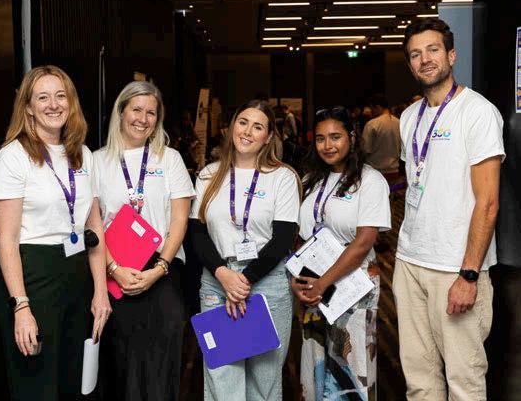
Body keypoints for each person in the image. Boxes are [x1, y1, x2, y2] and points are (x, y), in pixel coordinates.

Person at [393, 18, 504, 400]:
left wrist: (469, 274)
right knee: (419, 381)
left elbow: (488, 202)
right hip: (410, 262)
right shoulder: (409, 117)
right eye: (415, 54)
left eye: (433, 50)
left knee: (464, 381)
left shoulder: (477, 112)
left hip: (455, 267)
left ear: (451, 55)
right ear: (410, 64)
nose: (425, 59)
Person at [0, 65, 111, 400]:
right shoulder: (11, 158)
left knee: (76, 380)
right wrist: (21, 306)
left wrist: (101, 291)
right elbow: (6, 241)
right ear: (28, 107)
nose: (53, 104)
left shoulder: (83, 154)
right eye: (43, 98)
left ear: (71, 102)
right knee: (37, 384)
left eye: (60, 96)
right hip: (33, 276)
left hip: (77, 273)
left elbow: (93, 226)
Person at [189, 99, 300, 401]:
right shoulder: (208, 175)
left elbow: (283, 239)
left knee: (265, 383)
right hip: (217, 281)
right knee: (223, 381)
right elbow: (197, 233)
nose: (248, 131)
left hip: (266, 283)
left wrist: (244, 280)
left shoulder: (282, 177)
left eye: (258, 127)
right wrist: (224, 275)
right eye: (243, 122)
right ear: (231, 127)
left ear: (268, 136)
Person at [94, 81, 195, 401]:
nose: (143, 118)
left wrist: (160, 268)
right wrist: (113, 268)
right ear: (121, 112)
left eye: (151, 112)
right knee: (120, 363)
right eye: (136, 109)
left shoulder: (170, 159)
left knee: (161, 363)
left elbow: (179, 220)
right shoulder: (96, 161)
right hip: (114, 271)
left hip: (162, 268)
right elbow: (92, 224)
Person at [291, 106, 391, 400]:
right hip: (314, 286)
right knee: (316, 365)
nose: (327, 145)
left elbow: (363, 243)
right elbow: (300, 236)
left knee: (352, 366)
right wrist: (298, 280)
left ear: (352, 136)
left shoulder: (370, 181)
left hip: (352, 286)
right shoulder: (310, 180)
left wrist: (323, 283)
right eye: (320, 138)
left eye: (335, 137)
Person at [362, 94, 401, 181]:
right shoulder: (399, 122)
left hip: (375, 171)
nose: (371, 111)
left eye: (372, 108)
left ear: (378, 107)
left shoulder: (372, 124)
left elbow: (365, 149)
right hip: (394, 171)